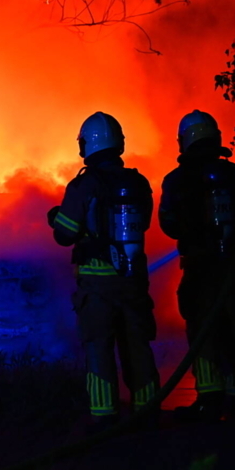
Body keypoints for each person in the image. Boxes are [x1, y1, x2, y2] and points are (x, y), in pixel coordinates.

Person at [48, 112, 160, 430]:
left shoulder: (84, 186)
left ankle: (104, 417)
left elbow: (64, 234)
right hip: (133, 279)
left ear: (86, 145)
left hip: (97, 285)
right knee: (137, 345)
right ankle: (147, 413)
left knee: (99, 346)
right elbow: (146, 224)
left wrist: (56, 216)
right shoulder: (137, 182)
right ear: (119, 143)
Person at [159, 110, 235, 422]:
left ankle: (209, 397)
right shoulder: (233, 173)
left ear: (184, 141)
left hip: (199, 270)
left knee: (202, 330)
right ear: (215, 137)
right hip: (231, 268)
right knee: (233, 328)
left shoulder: (176, 180)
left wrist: (193, 233)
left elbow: (168, 223)